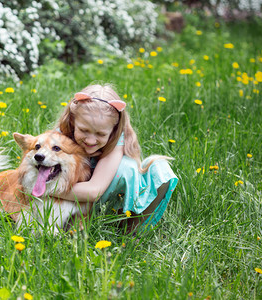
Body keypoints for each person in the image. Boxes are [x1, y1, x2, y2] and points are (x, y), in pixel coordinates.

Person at [54, 84, 178, 232]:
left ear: (114, 130)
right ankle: (72, 228)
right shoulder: (58, 139)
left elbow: (94, 191)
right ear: (73, 122)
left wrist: (46, 189)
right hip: (72, 206)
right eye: (84, 130)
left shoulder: (117, 140)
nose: (91, 141)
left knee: (139, 168)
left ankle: (131, 233)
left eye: (100, 134)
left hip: (109, 204)